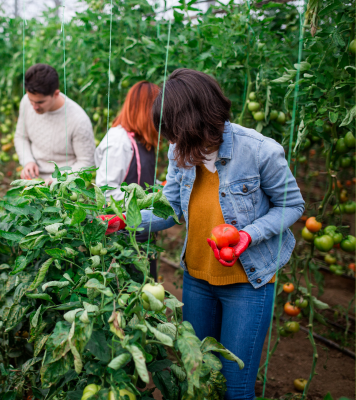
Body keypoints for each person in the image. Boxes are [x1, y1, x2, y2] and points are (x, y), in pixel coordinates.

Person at [111, 69, 304, 399]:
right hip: (197, 280)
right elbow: (170, 209)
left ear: (195, 123)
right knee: (198, 378)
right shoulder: (179, 151)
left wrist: (248, 236)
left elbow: (292, 206)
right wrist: (123, 221)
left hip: (247, 283)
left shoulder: (259, 151)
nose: (171, 145)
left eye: (175, 135)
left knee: (235, 387)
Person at [14, 63, 95, 180]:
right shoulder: (26, 102)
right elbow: (21, 137)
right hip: (35, 180)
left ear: (56, 94)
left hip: (66, 187)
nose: (34, 107)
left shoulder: (78, 120)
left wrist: (58, 179)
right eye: (31, 100)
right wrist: (28, 161)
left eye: (40, 102)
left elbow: (87, 163)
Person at [94, 81, 161, 202]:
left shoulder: (140, 138)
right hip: (122, 217)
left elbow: (144, 180)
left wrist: (161, 187)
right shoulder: (118, 141)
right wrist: (143, 200)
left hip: (141, 216)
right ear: (148, 110)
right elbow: (107, 192)